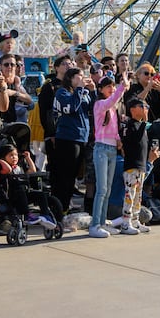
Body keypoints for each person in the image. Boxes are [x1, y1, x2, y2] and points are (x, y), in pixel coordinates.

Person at [50, 66, 94, 215]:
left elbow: (93, 109)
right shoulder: (62, 92)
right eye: (78, 76)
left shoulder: (82, 93)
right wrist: (80, 90)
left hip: (81, 138)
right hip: (68, 139)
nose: (82, 79)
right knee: (66, 176)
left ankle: (65, 206)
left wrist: (92, 92)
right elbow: (70, 107)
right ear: (70, 78)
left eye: (83, 76)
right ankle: (60, 207)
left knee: (73, 176)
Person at [90, 74, 129, 237]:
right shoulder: (100, 104)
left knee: (107, 189)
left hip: (112, 149)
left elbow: (113, 129)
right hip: (101, 148)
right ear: (100, 89)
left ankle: (102, 221)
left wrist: (119, 141)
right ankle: (95, 225)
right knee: (102, 189)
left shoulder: (112, 109)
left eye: (112, 86)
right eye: (108, 86)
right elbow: (111, 100)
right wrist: (122, 87)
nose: (111, 89)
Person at [117, 97, 159, 234]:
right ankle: (125, 222)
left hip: (141, 166)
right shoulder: (130, 125)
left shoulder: (142, 127)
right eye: (142, 106)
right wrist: (145, 121)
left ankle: (135, 220)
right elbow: (133, 139)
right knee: (130, 195)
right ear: (133, 109)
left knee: (138, 196)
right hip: (131, 165)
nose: (145, 109)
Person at [0, 143, 56, 230]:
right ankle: (27, 215)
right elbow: (8, 169)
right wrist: (0, 161)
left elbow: (32, 171)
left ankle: (45, 215)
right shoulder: (3, 168)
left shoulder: (19, 167)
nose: (14, 157)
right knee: (20, 190)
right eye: (11, 155)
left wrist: (28, 158)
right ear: (4, 157)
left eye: (16, 155)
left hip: (25, 193)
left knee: (41, 194)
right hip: (11, 196)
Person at [0, 54, 34, 125]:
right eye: (6, 65)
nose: (9, 67)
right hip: (0, 123)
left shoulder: (16, 82)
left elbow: (30, 101)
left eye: (12, 65)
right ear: (0, 66)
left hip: (15, 123)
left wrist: (14, 93)